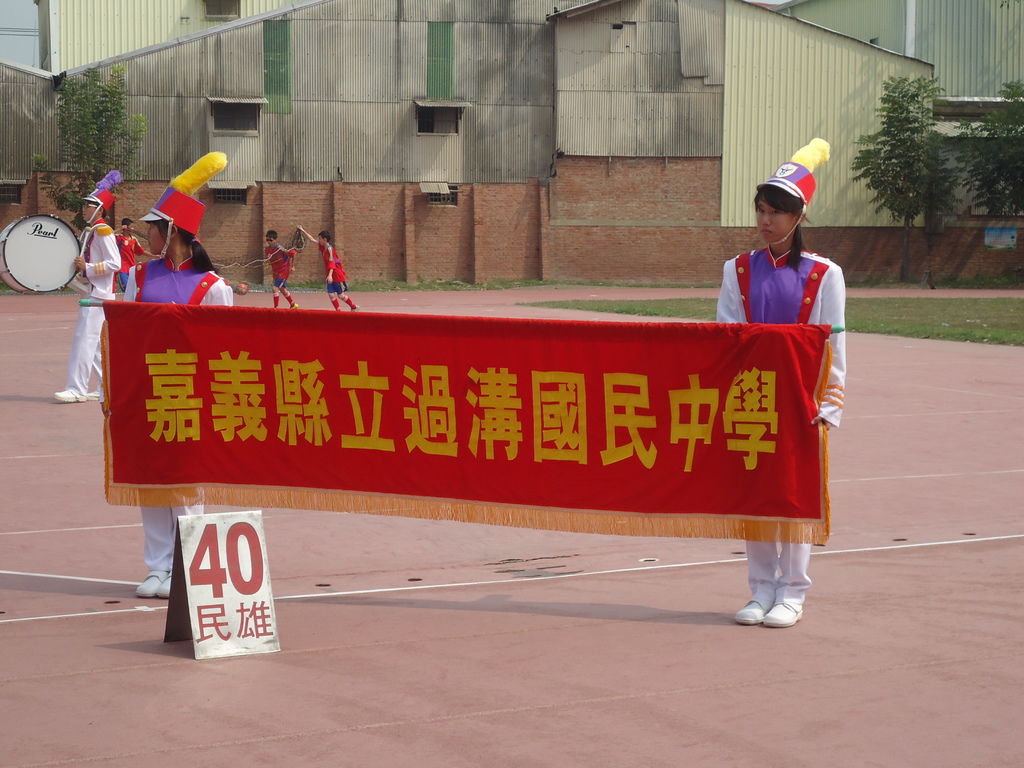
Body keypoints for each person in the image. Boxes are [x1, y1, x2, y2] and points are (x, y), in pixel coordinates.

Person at [716, 138, 847, 629]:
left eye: (777, 212)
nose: (766, 220)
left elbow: (833, 344)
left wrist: (829, 402)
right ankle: (759, 589)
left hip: (800, 401)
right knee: (755, 495)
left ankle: (792, 591)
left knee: (792, 497)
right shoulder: (737, 270)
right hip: (752, 399)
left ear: (799, 216)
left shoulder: (824, 274)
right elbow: (727, 336)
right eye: (761, 210)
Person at [124, 152, 234, 598]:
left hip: (190, 397)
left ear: (172, 232)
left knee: (186, 484)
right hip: (145, 392)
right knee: (150, 479)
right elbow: (122, 335)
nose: (146, 234)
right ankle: (157, 567)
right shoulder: (138, 277)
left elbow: (223, 351)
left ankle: (188, 567)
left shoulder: (213, 287)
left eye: (152, 227)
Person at [54, 171, 122, 403]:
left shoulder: (103, 231)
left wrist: (88, 267)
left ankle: (77, 388)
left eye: (88, 206)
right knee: (93, 346)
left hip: (99, 296)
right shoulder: (92, 232)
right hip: (95, 293)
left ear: (99, 210)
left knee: (84, 341)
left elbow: (115, 263)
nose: (84, 209)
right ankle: (107, 388)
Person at [298, 226, 358, 311]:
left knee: (341, 296)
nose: (318, 240)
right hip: (330, 273)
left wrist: (330, 275)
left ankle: (353, 307)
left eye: (320, 238)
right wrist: (302, 230)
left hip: (335, 273)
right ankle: (338, 311)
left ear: (325, 239)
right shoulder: (323, 247)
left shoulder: (330, 249)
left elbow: (332, 263)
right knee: (331, 294)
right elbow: (312, 239)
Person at [265, 229, 298, 308]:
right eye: (267, 240)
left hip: (283, 271)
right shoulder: (267, 250)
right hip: (275, 272)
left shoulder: (280, 249)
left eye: (270, 240)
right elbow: (268, 260)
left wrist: (293, 266)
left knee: (275, 288)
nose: (269, 242)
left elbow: (292, 254)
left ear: (275, 240)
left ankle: (276, 308)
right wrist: (268, 261)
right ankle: (293, 304)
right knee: (282, 289)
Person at [114, 218, 148, 293]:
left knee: (134, 291)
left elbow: (142, 251)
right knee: (126, 290)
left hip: (132, 269)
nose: (132, 229)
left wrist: (155, 256)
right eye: (131, 226)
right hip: (122, 269)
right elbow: (108, 236)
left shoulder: (134, 240)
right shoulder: (118, 238)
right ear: (126, 227)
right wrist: (120, 229)